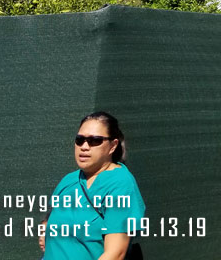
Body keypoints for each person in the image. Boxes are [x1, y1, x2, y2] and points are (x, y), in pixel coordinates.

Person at [40, 111, 146, 260]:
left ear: (113, 146)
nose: (84, 146)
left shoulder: (121, 184)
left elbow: (115, 254)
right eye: (79, 140)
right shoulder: (69, 180)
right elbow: (50, 218)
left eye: (95, 140)